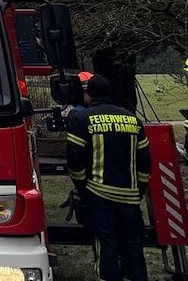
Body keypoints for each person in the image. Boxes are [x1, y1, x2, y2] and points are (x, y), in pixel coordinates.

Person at [67, 73, 150, 281]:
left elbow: (75, 161)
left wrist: (83, 188)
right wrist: (138, 190)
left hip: (99, 195)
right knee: (133, 244)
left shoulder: (81, 119)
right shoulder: (133, 120)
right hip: (130, 197)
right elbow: (144, 161)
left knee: (107, 244)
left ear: (90, 94)